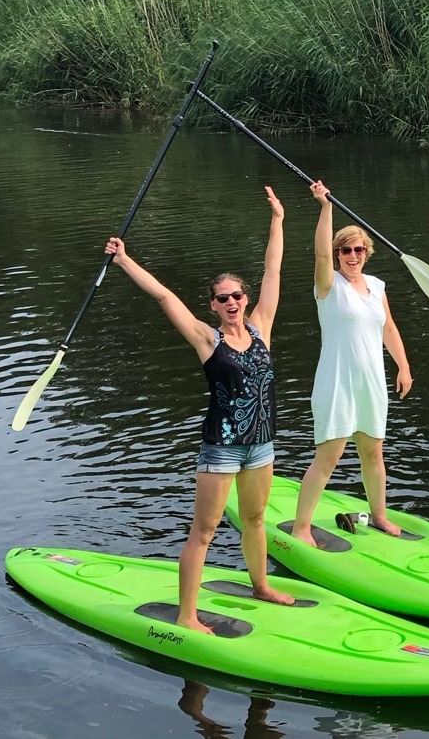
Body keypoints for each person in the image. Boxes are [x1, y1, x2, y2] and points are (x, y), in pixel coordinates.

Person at [103, 184, 293, 631]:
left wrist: (279, 220)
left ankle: (261, 585)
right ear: (213, 305)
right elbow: (165, 297)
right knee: (204, 532)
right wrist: (124, 259)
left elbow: (274, 270)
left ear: (246, 300)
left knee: (255, 518)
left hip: (261, 445)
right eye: (222, 298)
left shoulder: (262, 327)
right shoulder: (208, 339)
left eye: (237, 296)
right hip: (222, 448)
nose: (232, 302)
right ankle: (187, 614)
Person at [288, 180, 413, 546]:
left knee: (374, 452)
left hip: (371, 382)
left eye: (358, 249)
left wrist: (403, 366)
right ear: (338, 253)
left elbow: (388, 327)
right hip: (337, 381)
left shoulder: (376, 285)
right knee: (329, 455)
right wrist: (325, 206)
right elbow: (321, 257)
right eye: (346, 250)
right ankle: (301, 527)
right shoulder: (328, 287)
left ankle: (379, 515)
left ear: (367, 252)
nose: (352, 255)